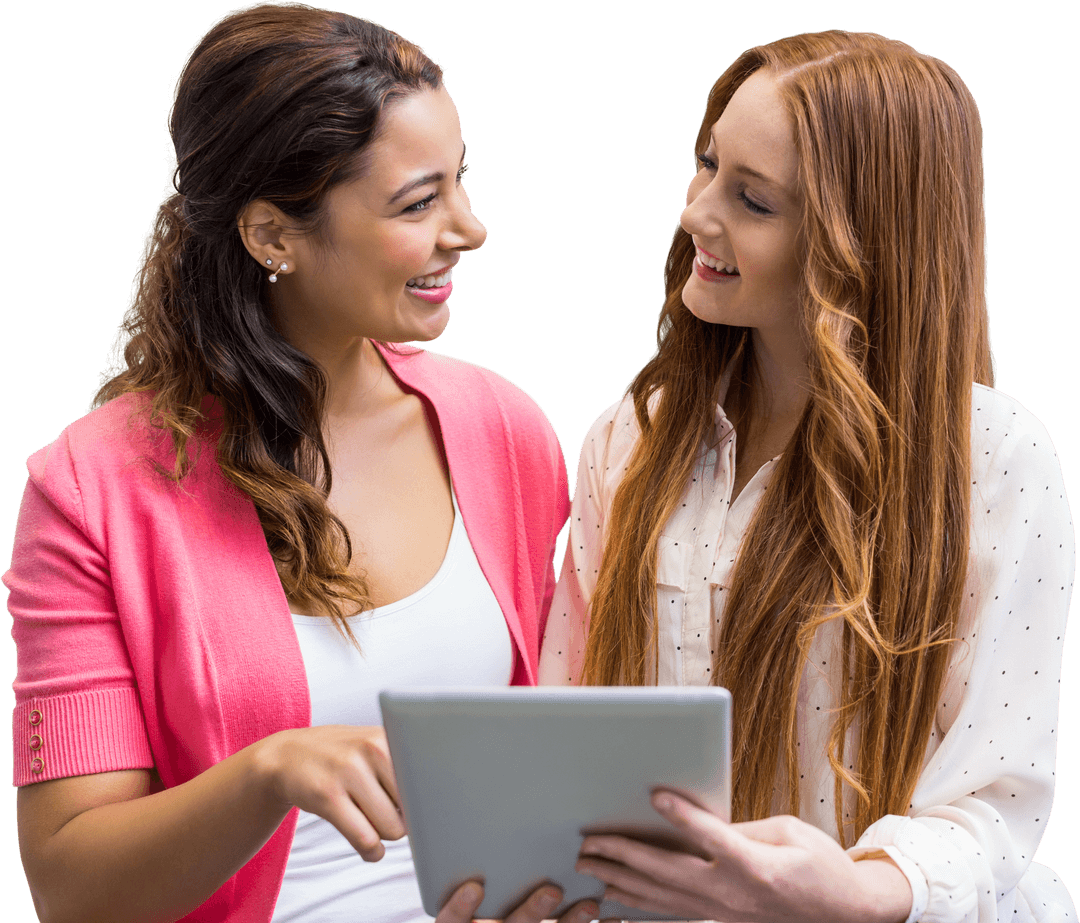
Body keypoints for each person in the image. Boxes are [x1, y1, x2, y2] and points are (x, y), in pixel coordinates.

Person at [6, 4, 595, 922]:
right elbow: (72, 887)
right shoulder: (92, 489)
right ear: (273, 235)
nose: (470, 229)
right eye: (418, 202)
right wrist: (270, 770)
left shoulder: (505, 429)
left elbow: (557, 750)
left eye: (461, 184)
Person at [540, 30, 1075, 923]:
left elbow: (993, 799)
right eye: (706, 167)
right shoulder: (628, 441)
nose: (696, 215)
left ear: (861, 237)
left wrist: (857, 889)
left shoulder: (996, 458)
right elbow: (564, 734)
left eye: (751, 200)